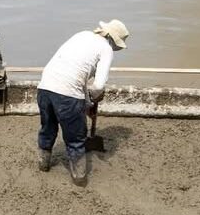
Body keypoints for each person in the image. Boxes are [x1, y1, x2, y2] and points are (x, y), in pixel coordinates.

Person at [36, 20, 130, 186]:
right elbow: (98, 86)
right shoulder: (106, 49)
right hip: (67, 95)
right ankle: (79, 178)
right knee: (76, 138)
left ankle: (43, 164)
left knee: (48, 128)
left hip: (44, 88)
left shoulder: (82, 35)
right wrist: (94, 97)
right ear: (113, 40)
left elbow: (76, 75)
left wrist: (86, 104)